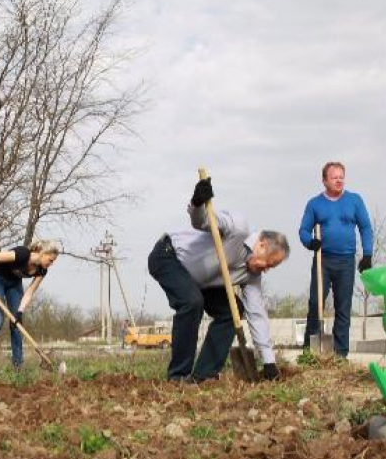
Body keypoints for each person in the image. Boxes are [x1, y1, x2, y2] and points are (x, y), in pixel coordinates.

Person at [149, 176, 289, 383]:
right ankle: (178, 375)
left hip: (201, 280)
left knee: (232, 311)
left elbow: (257, 315)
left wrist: (269, 362)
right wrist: (198, 202)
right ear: (261, 245)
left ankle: (204, 374)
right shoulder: (238, 227)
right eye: (268, 263)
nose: (266, 270)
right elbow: (203, 221)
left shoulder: (252, 276)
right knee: (191, 302)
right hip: (169, 256)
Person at [298, 161, 373, 357]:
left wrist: (367, 254)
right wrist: (310, 242)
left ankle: (341, 354)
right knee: (315, 303)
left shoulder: (355, 200)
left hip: (346, 261)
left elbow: (365, 227)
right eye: (334, 177)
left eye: (341, 176)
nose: (339, 180)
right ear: (324, 180)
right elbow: (304, 230)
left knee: (343, 307)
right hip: (323, 261)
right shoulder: (315, 204)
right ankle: (310, 351)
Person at [0, 240, 61, 374]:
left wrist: (20, 312)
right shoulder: (23, 254)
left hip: (14, 284)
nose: (51, 264)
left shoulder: (42, 270)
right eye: (50, 260)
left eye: (53, 262)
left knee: (17, 325)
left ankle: (18, 367)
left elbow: (29, 292)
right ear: (43, 252)